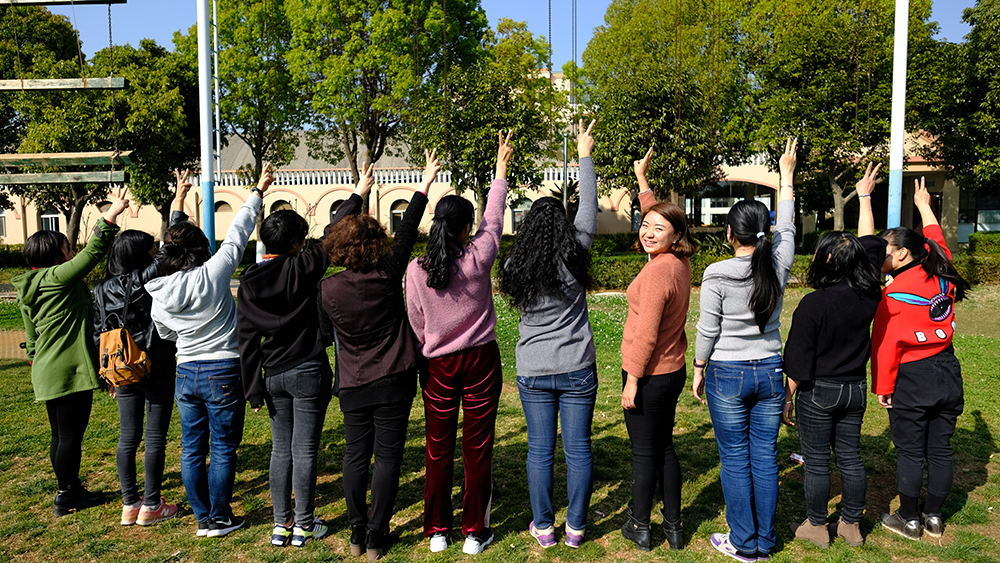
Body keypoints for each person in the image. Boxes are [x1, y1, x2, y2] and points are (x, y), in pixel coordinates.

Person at [237, 165, 374, 548]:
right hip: (308, 370)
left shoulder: (248, 282)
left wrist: (253, 389)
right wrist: (358, 193)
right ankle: (304, 524)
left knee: (281, 450)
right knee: (304, 450)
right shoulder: (303, 267)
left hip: (274, 376)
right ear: (296, 243)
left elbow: (246, 340)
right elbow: (332, 232)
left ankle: (281, 524)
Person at [318, 150, 437, 561]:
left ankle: (357, 532)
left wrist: (358, 191)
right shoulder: (387, 273)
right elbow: (407, 230)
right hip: (394, 378)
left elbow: (325, 333)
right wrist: (424, 183)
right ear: (376, 244)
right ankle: (376, 535)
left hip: (353, 381)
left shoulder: (327, 289)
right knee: (387, 458)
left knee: (356, 456)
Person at [145, 164, 275, 538]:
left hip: (186, 371)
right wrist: (257, 192)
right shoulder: (213, 274)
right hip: (223, 369)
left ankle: (204, 518)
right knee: (222, 448)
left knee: (191, 448)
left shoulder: (159, 291)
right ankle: (219, 517)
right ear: (201, 249)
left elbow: (166, 333)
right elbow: (237, 234)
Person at [406, 131, 514, 555]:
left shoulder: (416, 269)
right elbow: (495, 217)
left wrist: (431, 344)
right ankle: (474, 531)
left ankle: (437, 531)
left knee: (437, 449)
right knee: (477, 446)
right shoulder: (478, 256)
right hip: (480, 360)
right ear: (467, 227)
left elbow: (416, 321)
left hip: (438, 364)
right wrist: (500, 168)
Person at [692, 138, 797, 562]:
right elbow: (788, 228)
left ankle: (743, 542)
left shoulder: (717, 272)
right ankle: (764, 542)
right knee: (765, 458)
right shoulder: (778, 263)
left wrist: (698, 367)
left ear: (729, 233)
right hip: (770, 369)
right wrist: (786, 177)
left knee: (735, 459)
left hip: (727, 373)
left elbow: (708, 328)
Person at [499, 120, 599, 550]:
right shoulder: (576, 254)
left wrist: (501, 171)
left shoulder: (512, 267)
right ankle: (575, 528)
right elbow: (589, 207)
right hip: (577, 367)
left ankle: (544, 527)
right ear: (562, 225)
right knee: (578, 449)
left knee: (540, 450)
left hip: (534, 370)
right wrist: (584, 155)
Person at [782, 163, 887, 548]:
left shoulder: (814, 304)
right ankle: (851, 525)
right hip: (854, 389)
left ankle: (816, 526)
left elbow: (798, 360)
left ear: (826, 261)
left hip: (819, 391)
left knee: (816, 461)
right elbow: (871, 244)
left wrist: (787, 398)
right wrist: (865, 197)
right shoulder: (869, 293)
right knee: (851, 457)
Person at [14, 187, 129, 517]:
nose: (72, 251)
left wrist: (36, 362)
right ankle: (66, 495)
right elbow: (93, 252)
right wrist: (112, 214)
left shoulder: (31, 285)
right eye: (67, 248)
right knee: (69, 437)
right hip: (68, 370)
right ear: (55, 256)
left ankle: (70, 487)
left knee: (61, 435)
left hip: (47, 369)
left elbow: (31, 337)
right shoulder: (57, 278)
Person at [866, 177, 970, 541]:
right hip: (948, 370)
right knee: (940, 449)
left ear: (902, 255)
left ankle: (908, 519)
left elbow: (885, 346)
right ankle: (935, 517)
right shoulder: (942, 273)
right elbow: (937, 242)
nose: (880, 256)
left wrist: (883, 387)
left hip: (911, 378)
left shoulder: (893, 296)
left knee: (910, 452)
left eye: (884, 250)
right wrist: (925, 206)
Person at [92, 171, 192, 527]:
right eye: (149, 251)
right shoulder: (143, 279)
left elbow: (96, 334)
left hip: (120, 366)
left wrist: (106, 376)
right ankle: (151, 504)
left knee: (127, 437)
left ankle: (129, 504)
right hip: (156, 361)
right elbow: (171, 247)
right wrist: (178, 201)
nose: (154, 254)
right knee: (154, 438)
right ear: (140, 256)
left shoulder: (100, 290)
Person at [617, 146, 700, 552]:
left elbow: (646, 335)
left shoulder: (657, 272)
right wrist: (642, 180)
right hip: (671, 370)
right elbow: (660, 216)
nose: (648, 232)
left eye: (658, 229)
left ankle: (639, 525)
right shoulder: (678, 261)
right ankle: (674, 527)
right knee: (664, 446)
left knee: (644, 453)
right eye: (645, 225)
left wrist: (632, 381)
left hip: (649, 374)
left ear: (676, 235)